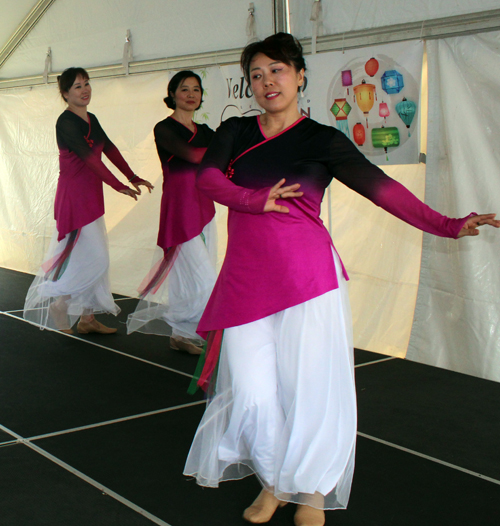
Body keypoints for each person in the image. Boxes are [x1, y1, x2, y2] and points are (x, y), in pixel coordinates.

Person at [183, 33, 500, 526]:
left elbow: (384, 190)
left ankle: (309, 489)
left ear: (300, 74)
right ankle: (274, 478)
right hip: (246, 279)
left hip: (308, 278)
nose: (268, 81)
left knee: (311, 386)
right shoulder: (236, 132)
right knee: (250, 390)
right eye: (258, 74)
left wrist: (449, 224)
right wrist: (254, 199)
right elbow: (208, 180)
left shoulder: (322, 140)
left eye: (278, 70)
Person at [24, 67, 153, 335]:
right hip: (74, 199)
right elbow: (91, 159)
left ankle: (87, 317)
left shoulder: (91, 118)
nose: (85, 90)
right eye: (77, 86)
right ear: (65, 93)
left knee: (93, 256)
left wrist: (133, 176)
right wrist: (119, 185)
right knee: (95, 259)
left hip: (90, 196)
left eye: (87, 84)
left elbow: (109, 149)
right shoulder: (66, 122)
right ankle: (60, 303)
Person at [126, 71, 217, 355]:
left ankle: (180, 335)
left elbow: (221, 155)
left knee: (184, 275)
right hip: (180, 209)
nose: (191, 94)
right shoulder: (163, 129)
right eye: (184, 89)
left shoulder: (205, 132)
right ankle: (196, 326)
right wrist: (220, 149)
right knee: (205, 279)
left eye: (196, 89)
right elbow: (192, 156)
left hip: (204, 207)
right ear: (173, 94)